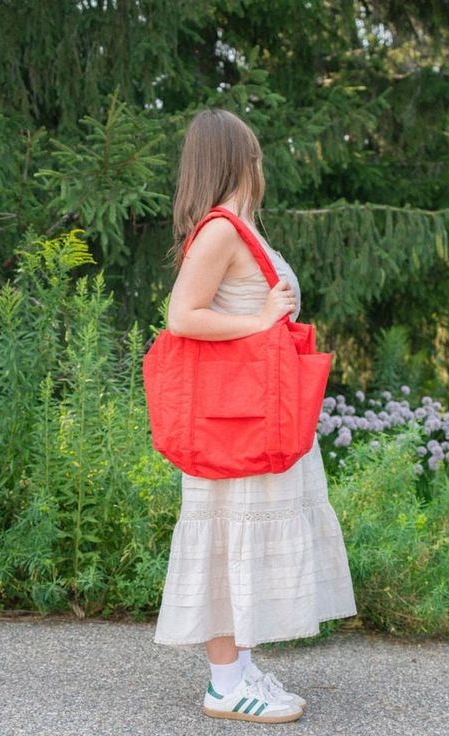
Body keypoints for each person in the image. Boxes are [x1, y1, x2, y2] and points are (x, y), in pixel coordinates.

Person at [152, 107, 358, 724]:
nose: (260, 164)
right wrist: (262, 322)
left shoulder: (240, 229)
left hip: (250, 421)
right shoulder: (220, 230)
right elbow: (181, 316)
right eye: (255, 154)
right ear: (239, 161)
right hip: (234, 424)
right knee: (226, 538)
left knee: (239, 540)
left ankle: (238, 670)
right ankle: (223, 684)